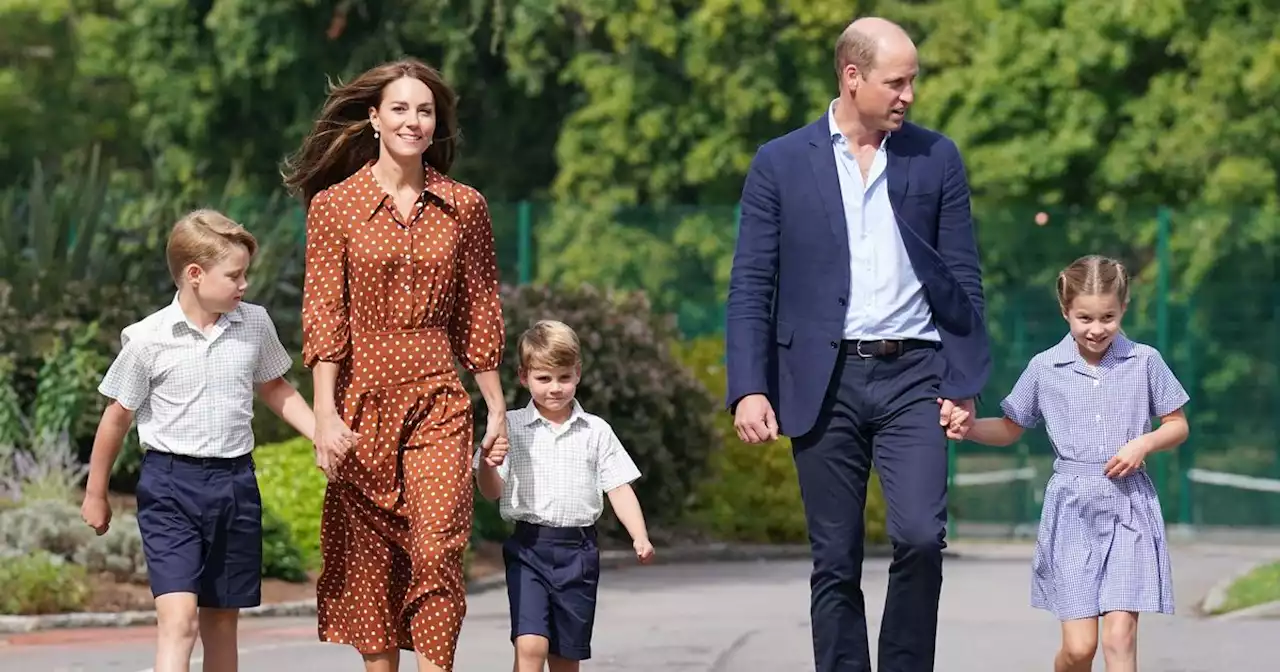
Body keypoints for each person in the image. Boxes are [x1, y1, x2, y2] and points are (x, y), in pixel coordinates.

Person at [723, 15, 991, 672]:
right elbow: (752, 281)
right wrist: (750, 387)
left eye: (913, 81)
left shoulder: (937, 157)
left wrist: (963, 382)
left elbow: (963, 277)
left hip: (915, 376)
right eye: (896, 82)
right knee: (835, 560)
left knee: (921, 539)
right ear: (851, 76)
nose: (909, 95)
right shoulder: (780, 163)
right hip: (822, 380)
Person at [283, 57, 509, 672]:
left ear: (438, 123)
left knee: (437, 547)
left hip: (440, 396)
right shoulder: (335, 206)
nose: (414, 120)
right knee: (370, 560)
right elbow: (324, 314)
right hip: (361, 401)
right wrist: (324, 415)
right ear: (375, 118)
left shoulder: (465, 207)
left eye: (426, 110)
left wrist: (495, 407)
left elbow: (479, 309)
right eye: (401, 108)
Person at [79, 210, 316, 672]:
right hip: (170, 487)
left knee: (221, 621)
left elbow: (275, 387)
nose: (244, 283)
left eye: (245, 273)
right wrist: (95, 492)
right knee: (179, 620)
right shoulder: (148, 340)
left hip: (235, 484)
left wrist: (321, 435)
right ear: (194, 275)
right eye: (235, 275)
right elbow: (116, 417)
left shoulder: (254, 324)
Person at [947, 255, 1189, 672]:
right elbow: (1010, 427)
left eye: (1108, 317)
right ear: (1066, 312)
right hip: (1072, 512)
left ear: (1124, 308)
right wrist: (967, 428)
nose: (1097, 329)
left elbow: (1177, 425)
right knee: (1079, 650)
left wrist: (1143, 444)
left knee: (1119, 638)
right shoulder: (1045, 368)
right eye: (1085, 318)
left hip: (1129, 510)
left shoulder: (1145, 361)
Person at [474, 319, 655, 672]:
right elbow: (491, 491)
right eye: (543, 378)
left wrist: (640, 536)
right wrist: (486, 462)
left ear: (578, 374)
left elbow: (618, 486)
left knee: (565, 657)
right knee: (530, 646)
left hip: (579, 553)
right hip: (529, 548)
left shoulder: (596, 431)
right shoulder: (508, 427)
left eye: (564, 377)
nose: (554, 388)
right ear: (524, 376)